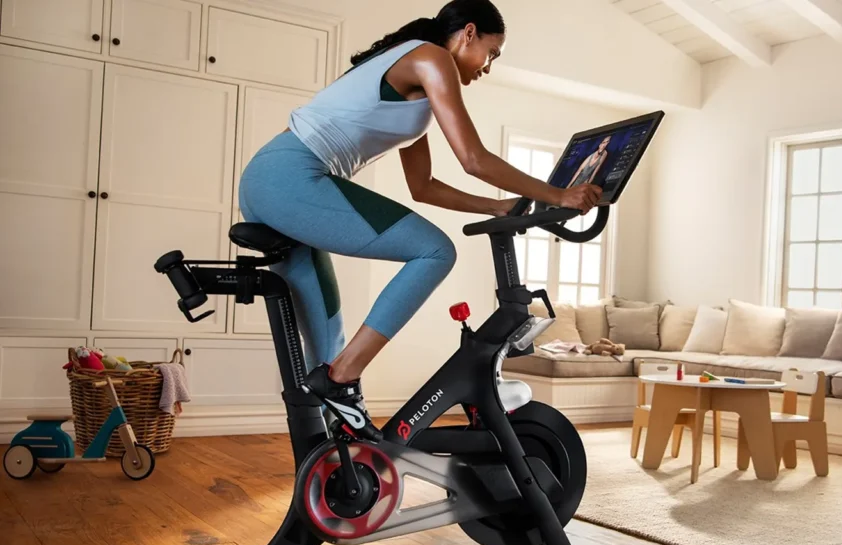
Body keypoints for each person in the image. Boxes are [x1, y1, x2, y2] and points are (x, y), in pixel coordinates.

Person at [237, 0, 603, 442]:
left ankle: (339, 459)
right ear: (469, 33)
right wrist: (557, 194)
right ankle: (343, 379)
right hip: (291, 178)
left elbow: (423, 186)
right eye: (493, 52)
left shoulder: (418, 84)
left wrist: (498, 207)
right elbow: (474, 159)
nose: (488, 67)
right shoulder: (431, 58)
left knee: (327, 341)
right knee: (434, 251)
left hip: (273, 181)